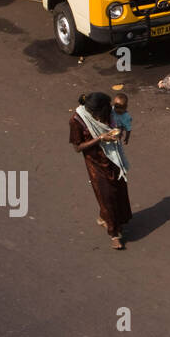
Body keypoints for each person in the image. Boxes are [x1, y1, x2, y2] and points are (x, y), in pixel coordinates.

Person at [70, 92, 131, 250]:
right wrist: (100, 138)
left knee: (118, 191)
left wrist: (120, 132)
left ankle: (105, 217)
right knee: (106, 195)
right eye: (99, 116)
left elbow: (119, 121)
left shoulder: (108, 112)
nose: (101, 119)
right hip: (95, 163)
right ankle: (114, 234)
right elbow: (77, 148)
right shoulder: (77, 120)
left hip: (112, 159)